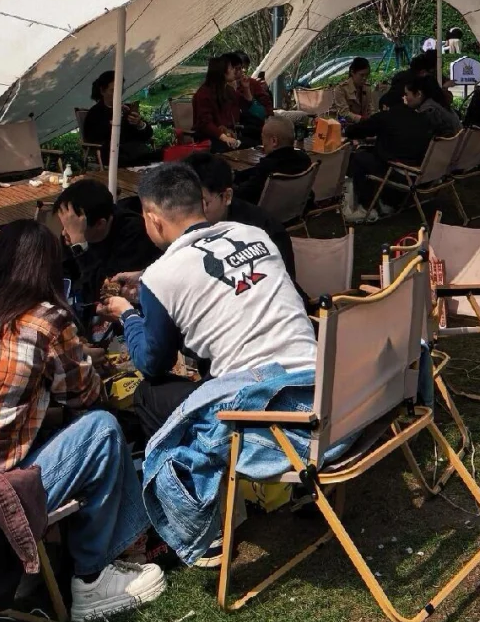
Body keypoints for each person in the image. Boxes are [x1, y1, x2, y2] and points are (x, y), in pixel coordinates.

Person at [0, 221, 165, 621]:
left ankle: (53, 561)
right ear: (49, 269)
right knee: (102, 430)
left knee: (62, 431)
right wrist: (87, 364)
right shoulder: (46, 319)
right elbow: (86, 397)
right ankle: (92, 577)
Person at [100, 164, 318, 444]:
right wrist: (145, 285)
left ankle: (201, 460)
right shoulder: (253, 234)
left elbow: (153, 363)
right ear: (201, 203)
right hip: (315, 383)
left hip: (260, 405)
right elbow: (220, 276)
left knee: (148, 394)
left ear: (153, 219)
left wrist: (128, 315)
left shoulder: (160, 276)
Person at [53, 178, 159, 327]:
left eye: (71, 228)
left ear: (100, 224)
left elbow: (100, 291)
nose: (65, 233)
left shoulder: (135, 235)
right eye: (64, 226)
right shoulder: (72, 230)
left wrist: (80, 246)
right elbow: (64, 275)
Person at [184, 152, 298, 280]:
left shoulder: (264, 230)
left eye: (202, 204)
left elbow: (281, 282)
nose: (190, 215)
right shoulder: (177, 223)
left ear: (226, 196)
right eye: (183, 204)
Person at [343, 94, 434, 221]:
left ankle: (366, 206)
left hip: (402, 173)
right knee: (374, 155)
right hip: (425, 174)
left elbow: (357, 130)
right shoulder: (420, 117)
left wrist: (345, 130)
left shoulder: (385, 117)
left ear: (385, 107)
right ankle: (387, 199)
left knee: (359, 158)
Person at [81, 70, 158, 167]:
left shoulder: (127, 109)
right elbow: (91, 137)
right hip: (114, 156)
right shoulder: (95, 112)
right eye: (113, 90)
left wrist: (139, 124)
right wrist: (113, 121)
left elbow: (147, 135)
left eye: (120, 90)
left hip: (137, 153)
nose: (118, 94)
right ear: (102, 91)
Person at [232, 114, 312, 205]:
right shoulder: (304, 160)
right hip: (295, 210)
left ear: (274, 141)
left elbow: (243, 194)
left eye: (263, 138)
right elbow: (255, 172)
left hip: (267, 213)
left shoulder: (268, 167)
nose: (262, 143)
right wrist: (238, 175)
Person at [192, 55, 244, 150]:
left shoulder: (228, 90)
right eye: (231, 68)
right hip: (209, 138)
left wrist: (246, 88)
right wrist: (224, 137)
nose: (234, 70)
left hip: (227, 134)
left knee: (250, 141)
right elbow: (205, 123)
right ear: (222, 72)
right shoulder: (203, 94)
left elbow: (243, 105)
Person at [226, 50, 273, 143]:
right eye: (239, 68)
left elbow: (266, 106)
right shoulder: (223, 87)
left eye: (245, 67)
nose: (243, 71)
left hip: (255, 124)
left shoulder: (252, 83)